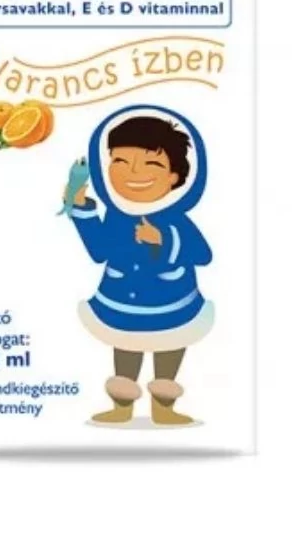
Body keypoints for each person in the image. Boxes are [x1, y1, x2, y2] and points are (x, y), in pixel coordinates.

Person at [65, 105, 214, 426]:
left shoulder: (175, 218)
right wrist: (82, 209)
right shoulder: (117, 215)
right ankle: (121, 407)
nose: (133, 173)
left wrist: (164, 239)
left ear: (175, 176)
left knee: (169, 349)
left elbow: (203, 255)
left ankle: (164, 408)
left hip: (172, 305)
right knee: (126, 348)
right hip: (121, 304)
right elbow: (100, 251)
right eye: (120, 162)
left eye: (151, 164)